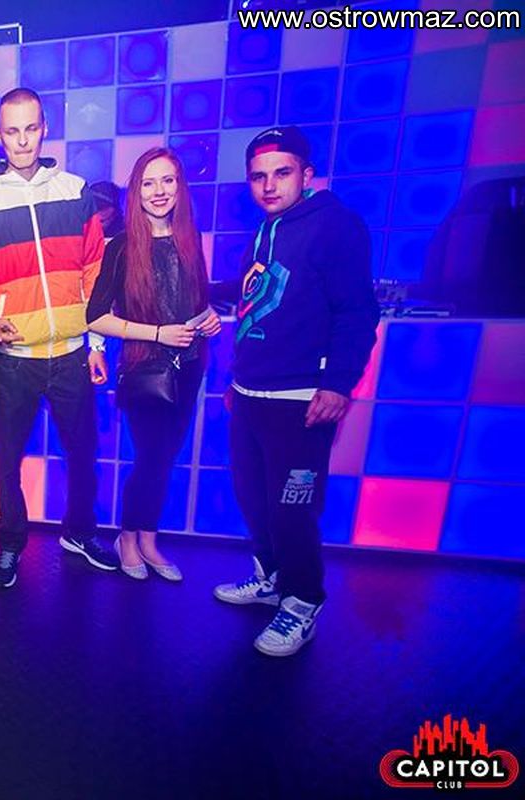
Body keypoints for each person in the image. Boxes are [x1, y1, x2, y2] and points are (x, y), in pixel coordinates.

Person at [213, 126, 379, 657]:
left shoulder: (334, 226)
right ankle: (271, 578)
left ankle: (303, 601)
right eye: (258, 176)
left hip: (301, 403)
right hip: (251, 394)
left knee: (293, 509)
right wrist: (237, 378)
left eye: (281, 173)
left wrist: (337, 384)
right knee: (252, 496)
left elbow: (357, 312)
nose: (269, 185)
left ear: (306, 175)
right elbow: (256, 308)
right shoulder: (268, 228)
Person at [0, 87, 120, 589]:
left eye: (31, 128)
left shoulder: (75, 191)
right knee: (8, 462)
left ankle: (80, 533)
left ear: (45, 128)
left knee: (83, 454)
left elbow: (95, 273)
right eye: (12, 131)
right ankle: (10, 544)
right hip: (12, 361)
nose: (22, 140)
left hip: (71, 355)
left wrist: (96, 345)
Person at [88, 148, 222, 581]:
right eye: (148, 182)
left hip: (190, 365)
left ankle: (148, 539)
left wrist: (208, 316)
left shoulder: (190, 237)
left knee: (164, 459)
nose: (159, 191)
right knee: (150, 457)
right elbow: (95, 317)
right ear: (136, 191)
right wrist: (158, 333)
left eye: (167, 180)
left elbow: (195, 302)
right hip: (146, 370)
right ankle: (126, 538)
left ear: (180, 186)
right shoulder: (121, 247)